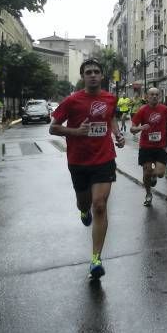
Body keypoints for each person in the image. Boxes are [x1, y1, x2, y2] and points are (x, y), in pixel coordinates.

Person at [50, 58, 125, 280]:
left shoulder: (111, 98)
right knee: (84, 203)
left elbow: (110, 117)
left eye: (96, 71)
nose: (93, 75)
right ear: (83, 77)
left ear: (102, 76)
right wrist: (76, 132)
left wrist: (117, 134)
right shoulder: (72, 101)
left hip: (104, 159)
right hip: (79, 162)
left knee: (100, 205)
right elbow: (53, 128)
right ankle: (83, 210)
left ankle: (96, 259)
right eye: (88, 72)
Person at [130, 87, 167, 207]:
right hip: (146, 146)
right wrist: (140, 128)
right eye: (152, 94)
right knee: (147, 173)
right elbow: (132, 128)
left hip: (161, 146)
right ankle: (148, 194)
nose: (154, 96)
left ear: (159, 96)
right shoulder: (142, 110)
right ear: (147, 96)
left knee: (160, 173)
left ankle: (154, 175)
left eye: (156, 94)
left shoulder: (164, 109)